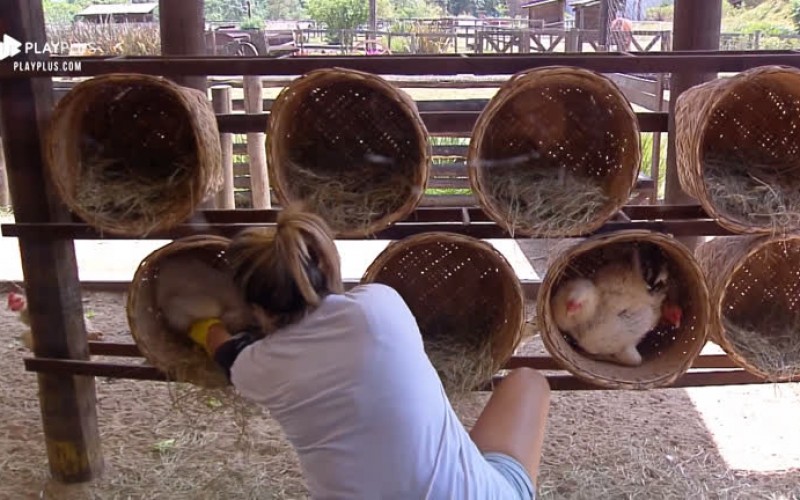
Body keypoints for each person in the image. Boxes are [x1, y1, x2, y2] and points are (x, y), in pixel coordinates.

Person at [186, 207, 551, 499]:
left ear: (255, 309)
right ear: (327, 266)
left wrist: (201, 324)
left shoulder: (255, 368)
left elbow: (223, 348)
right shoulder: (380, 306)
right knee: (529, 382)